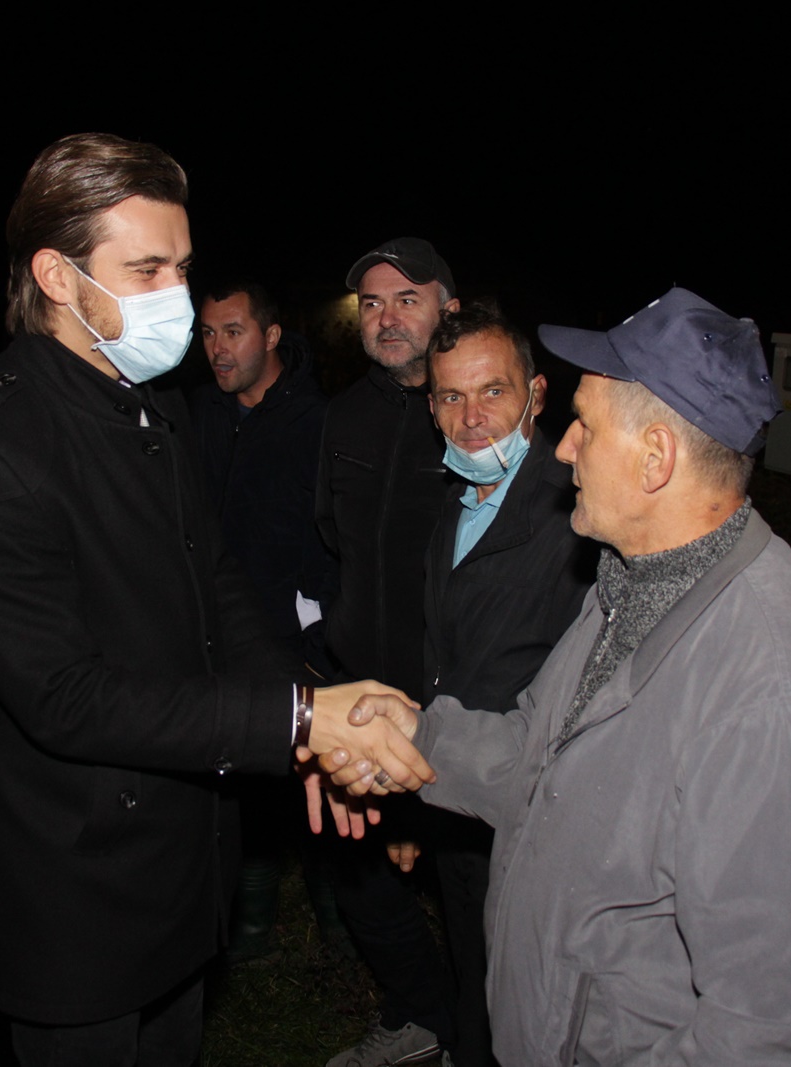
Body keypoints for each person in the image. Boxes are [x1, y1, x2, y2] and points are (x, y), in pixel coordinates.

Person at [0, 132, 431, 1066]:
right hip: (77, 888)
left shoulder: (158, 407)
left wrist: (310, 724)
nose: (176, 296)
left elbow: (217, 590)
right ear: (57, 276)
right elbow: (65, 696)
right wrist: (298, 720)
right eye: (146, 270)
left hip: (186, 861)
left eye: (181, 268)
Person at [330, 288, 791, 1066]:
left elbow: (786, 1025)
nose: (562, 449)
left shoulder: (779, 692)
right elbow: (536, 756)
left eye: (585, 426)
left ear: (656, 457)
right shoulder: (628, 590)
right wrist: (411, 735)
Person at [418, 303, 596, 1067]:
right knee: (474, 980)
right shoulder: (450, 497)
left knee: (529, 1010)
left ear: (537, 394)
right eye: (451, 397)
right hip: (456, 803)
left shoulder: (579, 512)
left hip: (534, 818)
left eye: (493, 391)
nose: (472, 418)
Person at [317, 237, 460, 1067]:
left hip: (455, 703)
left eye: (407, 298)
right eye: (372, 304)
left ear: (448, 307)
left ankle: (486, 1037)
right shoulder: (344, 416)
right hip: (359, 696)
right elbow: (328, 536)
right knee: (361, 875)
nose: (387, 317)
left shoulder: (475, 414)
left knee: (471, 891)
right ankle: (423, 1015)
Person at [191, 280, 337, 963]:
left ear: (271, 335)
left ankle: (340, 918)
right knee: (242, 778)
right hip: (214, 637)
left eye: (233, 331)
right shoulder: (199, 415)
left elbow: (331, 543)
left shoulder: (317, 423)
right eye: (207, 333)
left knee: (315, 774)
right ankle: (251, 917)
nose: (218, 349)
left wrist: (316, 637)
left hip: (292, 638)